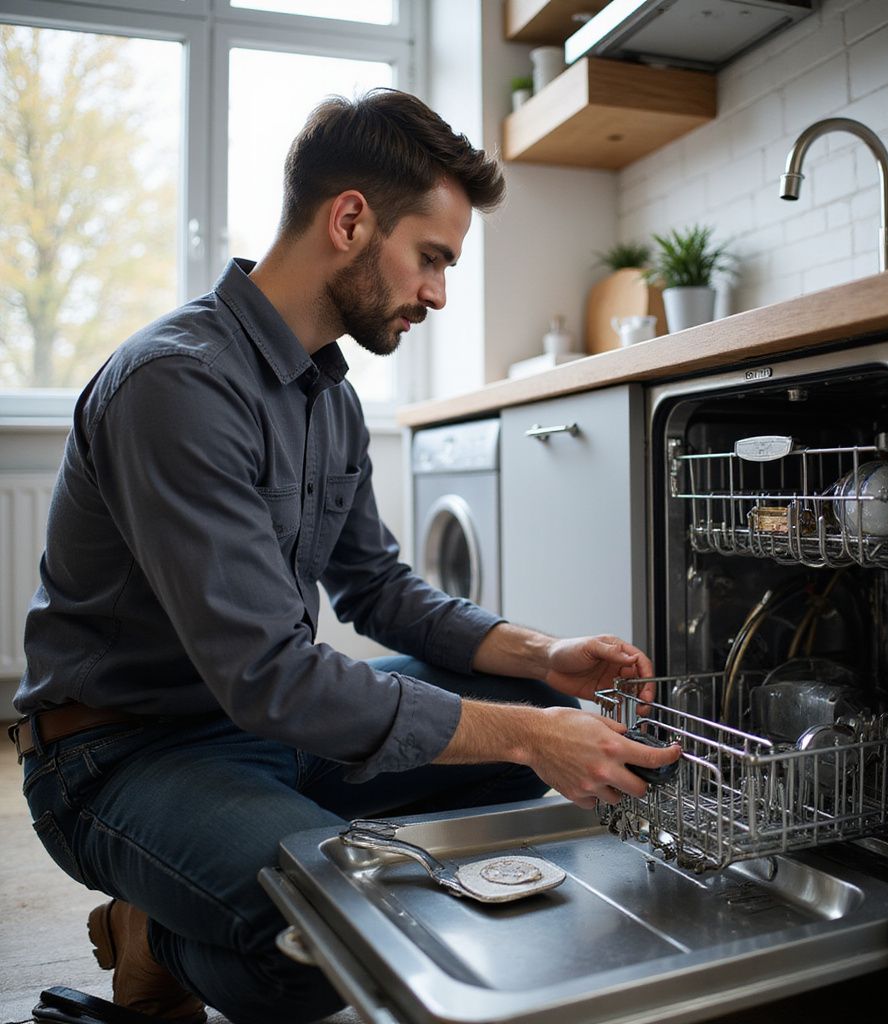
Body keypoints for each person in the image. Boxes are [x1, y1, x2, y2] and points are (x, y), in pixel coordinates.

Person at [10, 89, 679, 1024]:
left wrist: (542, 660)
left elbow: (379, 591)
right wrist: (528, 737)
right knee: (341, 942)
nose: (440, 293)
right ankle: (151, 931)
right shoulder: (177, 384)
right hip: (118, 756)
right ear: (352, 219)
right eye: (433, 259)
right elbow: (270, 677)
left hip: (260, 735)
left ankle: (267, 852)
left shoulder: (331, 398)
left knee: (536, 705)